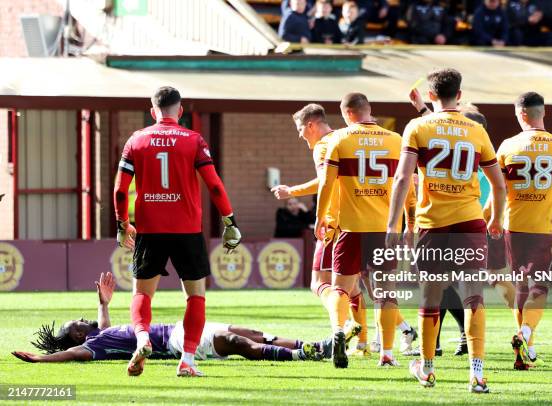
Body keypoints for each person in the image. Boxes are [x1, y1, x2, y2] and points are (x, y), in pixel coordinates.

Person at [387, 68, 506, 393]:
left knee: (431, 296)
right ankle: (478, 374)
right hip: (469, 221)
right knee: (473, 297)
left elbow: (401, 179)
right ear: (460, 95)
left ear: (430, 96)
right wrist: (495, 218)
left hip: (432, 223)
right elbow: (498, 183)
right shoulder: (476, 131)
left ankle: (426, 369)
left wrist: (393, 225)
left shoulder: (417, 127)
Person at [113, 86, 241, 377]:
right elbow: (215, 184)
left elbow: (120, 190)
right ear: (180, 111)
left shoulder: (136, 139)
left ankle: (143, 338)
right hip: (187, 230)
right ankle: (187, 360)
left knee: (142, 293)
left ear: (152, 111)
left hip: (150, 228)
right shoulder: (194, 140)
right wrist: (230, 221)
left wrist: (122, 225)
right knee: (195, 296)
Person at [272, 104, 417, 358]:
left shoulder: (329, 143)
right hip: (379, 224)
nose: (300, 136)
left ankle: (344, 329)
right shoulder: (377, 139)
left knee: (324, 283)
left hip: (338, 225)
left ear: (311, 125)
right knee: (373, 288)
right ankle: (374, 342)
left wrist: (293, 192)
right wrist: (410, 222)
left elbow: (325, 181)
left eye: (300, 130)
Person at [12, 273, 327, 364]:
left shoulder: (100, 335)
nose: (83, 319)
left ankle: (313, 347)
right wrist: (41, 359)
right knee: (237, 343)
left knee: (255, 333)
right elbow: (69, 354)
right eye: (78, 322)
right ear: (79, 336)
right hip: (173, 343)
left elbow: (105, 326)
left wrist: (103, 303)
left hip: (180, 327)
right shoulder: (91, 349)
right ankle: (302, 355)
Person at [315, 92, 406, 368]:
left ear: (347, 114)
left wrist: (320, 217)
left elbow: (326, 184)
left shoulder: (339, 139)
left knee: (340, 288)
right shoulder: (395, 140)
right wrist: (408, 220)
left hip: (350, 228)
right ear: (368, 110)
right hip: (384, 228)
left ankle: (339, 331)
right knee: (386, 292)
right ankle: (387, 354)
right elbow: (407, 183)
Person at [496, 94, 552, 370]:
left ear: (520, 115)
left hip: (514, 225)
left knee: (521, 286)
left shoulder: (508, 146)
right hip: (545, 227)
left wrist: (493, 217)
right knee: (539, 286)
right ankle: (526, 334)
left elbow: (497, 185)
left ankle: (524, 353)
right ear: (541, 113)